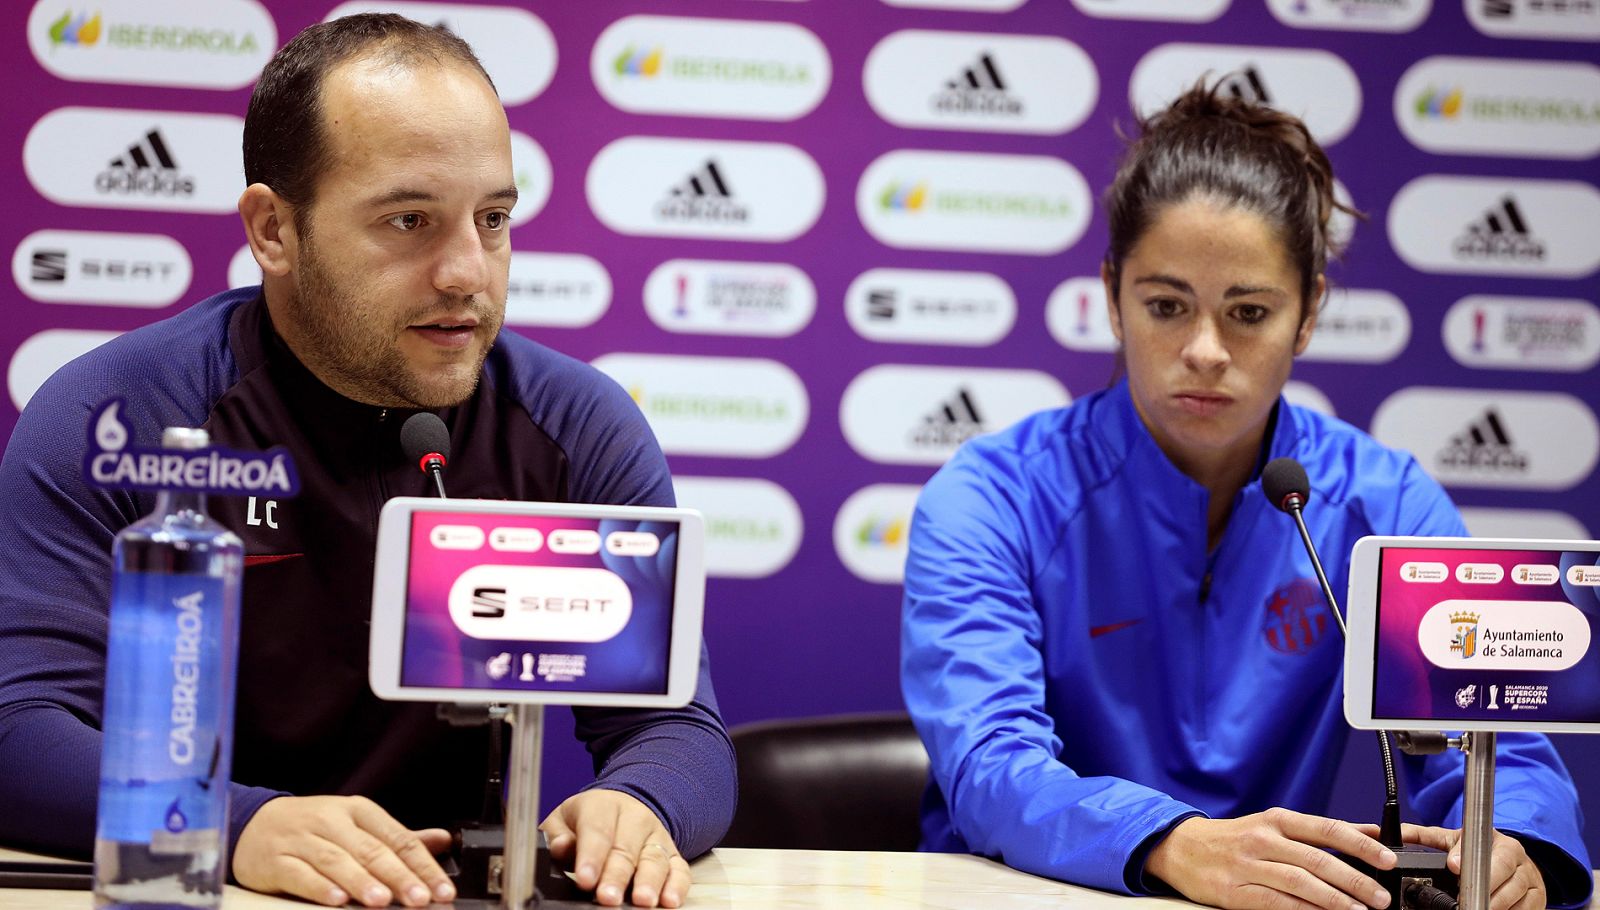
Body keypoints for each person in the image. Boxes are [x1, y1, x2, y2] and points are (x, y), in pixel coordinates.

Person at [0, 14, 733, 910]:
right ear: (274, 230)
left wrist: (642, 803)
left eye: (493, 219)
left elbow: (678, 731)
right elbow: (17, 728)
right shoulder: (117, 418)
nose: (467, 272)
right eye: (409, 220)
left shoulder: (575, 426)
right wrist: (236, 825)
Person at [900, 80, 1591, 910]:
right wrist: (1172, 843)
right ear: (1113, 297)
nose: (1204, 350)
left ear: (1308, 314)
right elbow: (990, 763)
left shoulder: (1386, 503)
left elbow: (1494, 745)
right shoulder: (992, 498)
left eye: (1249, 312)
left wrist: (1513, 845)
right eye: (1166, 305)